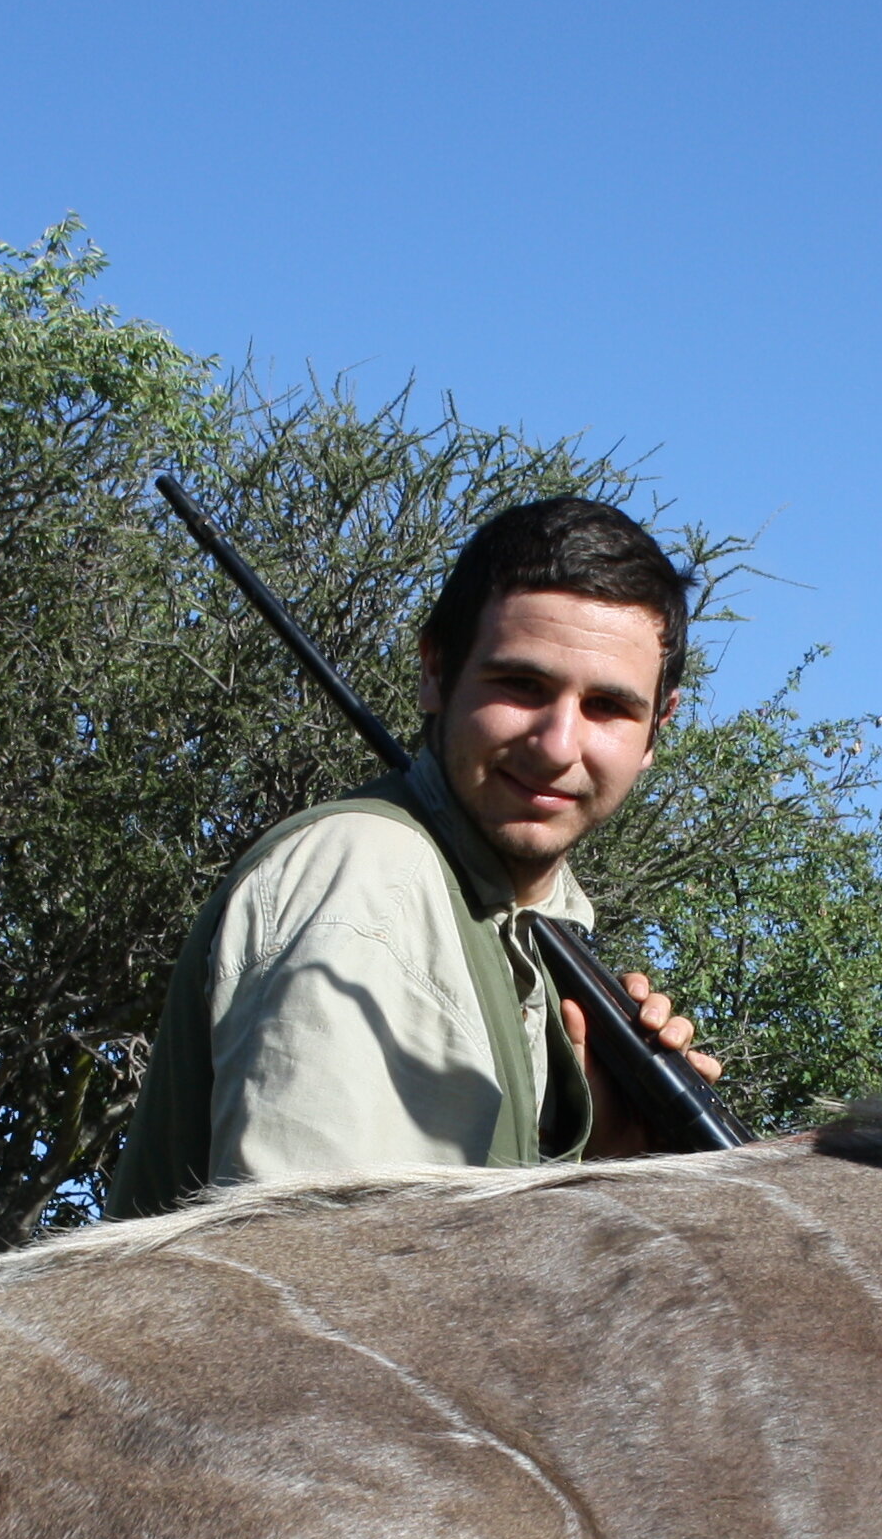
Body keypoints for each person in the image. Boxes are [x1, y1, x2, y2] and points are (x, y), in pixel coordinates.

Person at [105, 497, 721, 1217]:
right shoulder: (375, 882)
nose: (558, 746)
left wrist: (608, 1161)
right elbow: (330, 1289)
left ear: (658, 729)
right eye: (522, 686)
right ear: (435, 671)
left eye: (607, 708)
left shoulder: (534, 927)